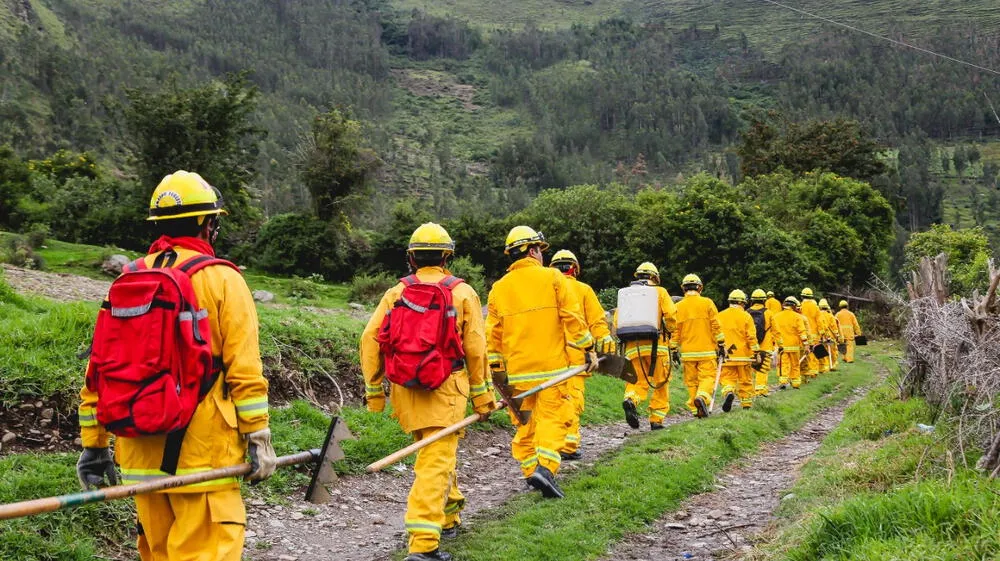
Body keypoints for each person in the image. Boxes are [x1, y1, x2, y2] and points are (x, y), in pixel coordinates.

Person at [77, 171, 274, 561]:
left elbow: (99, 369)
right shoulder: (223, 278)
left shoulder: (130, 278)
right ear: (206, 223)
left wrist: (94, 445)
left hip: (139, 454)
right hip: (203, 457)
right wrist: (258, 437)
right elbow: (245, 370)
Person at [361, 222, 496, 561]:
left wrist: (375, 393)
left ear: (411, 257)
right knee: (435, 463)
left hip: (406, 391)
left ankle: (448, 517)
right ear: (447, 256)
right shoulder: (462, 293)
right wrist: (483, 398)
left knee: (436, 454)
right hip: (446, 390)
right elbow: (476, 349)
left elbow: (370, 340)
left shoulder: (397, 292)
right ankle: (422, 544)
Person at [487, 226, 597, 499]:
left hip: (517, 374)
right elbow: (573, 318)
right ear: (533, 250)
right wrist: (588, 349)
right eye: (540, 250)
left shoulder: (499, 288)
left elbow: (493, 336)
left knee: (525, 425)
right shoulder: (553, 277)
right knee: (553, 419)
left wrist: (498, 373)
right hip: (552, 370)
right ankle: (545, 470)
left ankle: (530, 471)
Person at [549, 249, 614, 459]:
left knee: (551, 403)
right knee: (572, 401)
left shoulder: (546, 289)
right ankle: (568, 445)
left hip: (549, 359)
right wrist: (606, 346)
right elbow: (597, 321)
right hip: (577, 357)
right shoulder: (583, 289)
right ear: (574, 269)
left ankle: (550, 443)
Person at [617, 262, 678, 430]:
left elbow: (617, 321)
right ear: (654, 277)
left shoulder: (627, 294)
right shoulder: (660, 291)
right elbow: (671, 315)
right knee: (661, 383)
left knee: (637, 381)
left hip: (632, 347)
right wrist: (670, 330)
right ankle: (656, 419)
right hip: (657, 346)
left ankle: (631, 400)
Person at [670, 274, 725, 418]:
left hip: (688, 353)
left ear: (683, 289)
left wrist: (674, 349)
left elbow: (675, 331)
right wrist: (721, 344)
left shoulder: (678, 307)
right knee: (707, 377)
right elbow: (716, 325)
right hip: (706, 351)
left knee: (691, 381)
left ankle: (696, 410)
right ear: (700, 288)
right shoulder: (707, 303)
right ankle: (702, 397)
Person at [718, 290, 760, 410]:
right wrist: (756, 353)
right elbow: (751, 337)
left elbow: (715, 334)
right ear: (742, 303)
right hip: (744, 356)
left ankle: (729, 391)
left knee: (727, 378)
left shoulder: (720, 315)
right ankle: (746, 404)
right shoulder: (746, 316)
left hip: (727, 355)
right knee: (745, 380)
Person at [772, 296, 809, 389]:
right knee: (795, 365)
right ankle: (796, 383)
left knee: (783, 364)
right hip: (794, 346)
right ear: (794, 306)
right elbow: (802, 332)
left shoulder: (776, 316)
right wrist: (806, 344)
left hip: (782, 347)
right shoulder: (797, 317)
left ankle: (783, 381)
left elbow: (773, 332)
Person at [748, 289, 777, 397]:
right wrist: (780, 345)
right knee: (763, 368)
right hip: (765, 346)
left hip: (750, 347)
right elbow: (776, 331)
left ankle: (749, 391)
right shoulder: (769, 313)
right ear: (764, 300)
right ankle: (760, 390)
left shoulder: (746, 313)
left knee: (750, 369)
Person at [799, 288, 823, 379]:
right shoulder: (815, 307)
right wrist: (822, 332)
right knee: (815, 352)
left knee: (805, 353)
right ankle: (814, 371)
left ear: (802, 296)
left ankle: (806, 371)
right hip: (815, 334)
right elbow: (819, 320)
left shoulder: (800, 306)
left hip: (804, 333)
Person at [818, 298, 842, 371]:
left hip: (821, 336)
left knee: (822, 352)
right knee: (832, 352)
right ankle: (832, 365)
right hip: (831, 337)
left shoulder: (818, 315)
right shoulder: (830, 316)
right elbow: (834, 327)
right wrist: (837, 336)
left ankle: (824, 366)